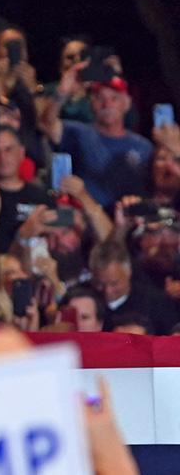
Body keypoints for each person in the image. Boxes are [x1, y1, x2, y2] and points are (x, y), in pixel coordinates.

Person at [39, 60, 153, 208]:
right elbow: (47, 123)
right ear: (92, 103)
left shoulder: (144, 146)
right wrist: (62, 91)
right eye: (100, 98)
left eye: (114, 98)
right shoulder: (79, 132)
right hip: (86, 218)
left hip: (130, 219)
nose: (107, 104)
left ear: (127, 103)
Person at [90, 240, 177, 335]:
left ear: (128, 272)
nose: (107, 291)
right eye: (100, 284)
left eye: (114, 284)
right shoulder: (86, 302)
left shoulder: (156, 304)